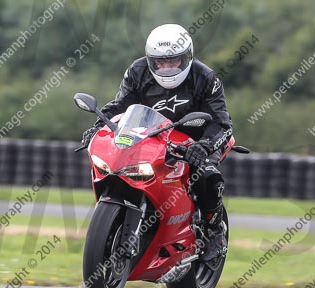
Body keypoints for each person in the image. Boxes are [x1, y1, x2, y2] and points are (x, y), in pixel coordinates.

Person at [80, 23, 233, 267]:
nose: (167, 67)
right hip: (154, 134)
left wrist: (204, 147)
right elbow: (120, 105)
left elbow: (222, 123)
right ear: (151, 61)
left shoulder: (205, 78)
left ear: (187, 58)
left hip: (198, 136)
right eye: (160, 62)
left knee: (207, 175)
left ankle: (214, 230)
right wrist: (99, 126)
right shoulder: (137, 71)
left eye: (173, 61)